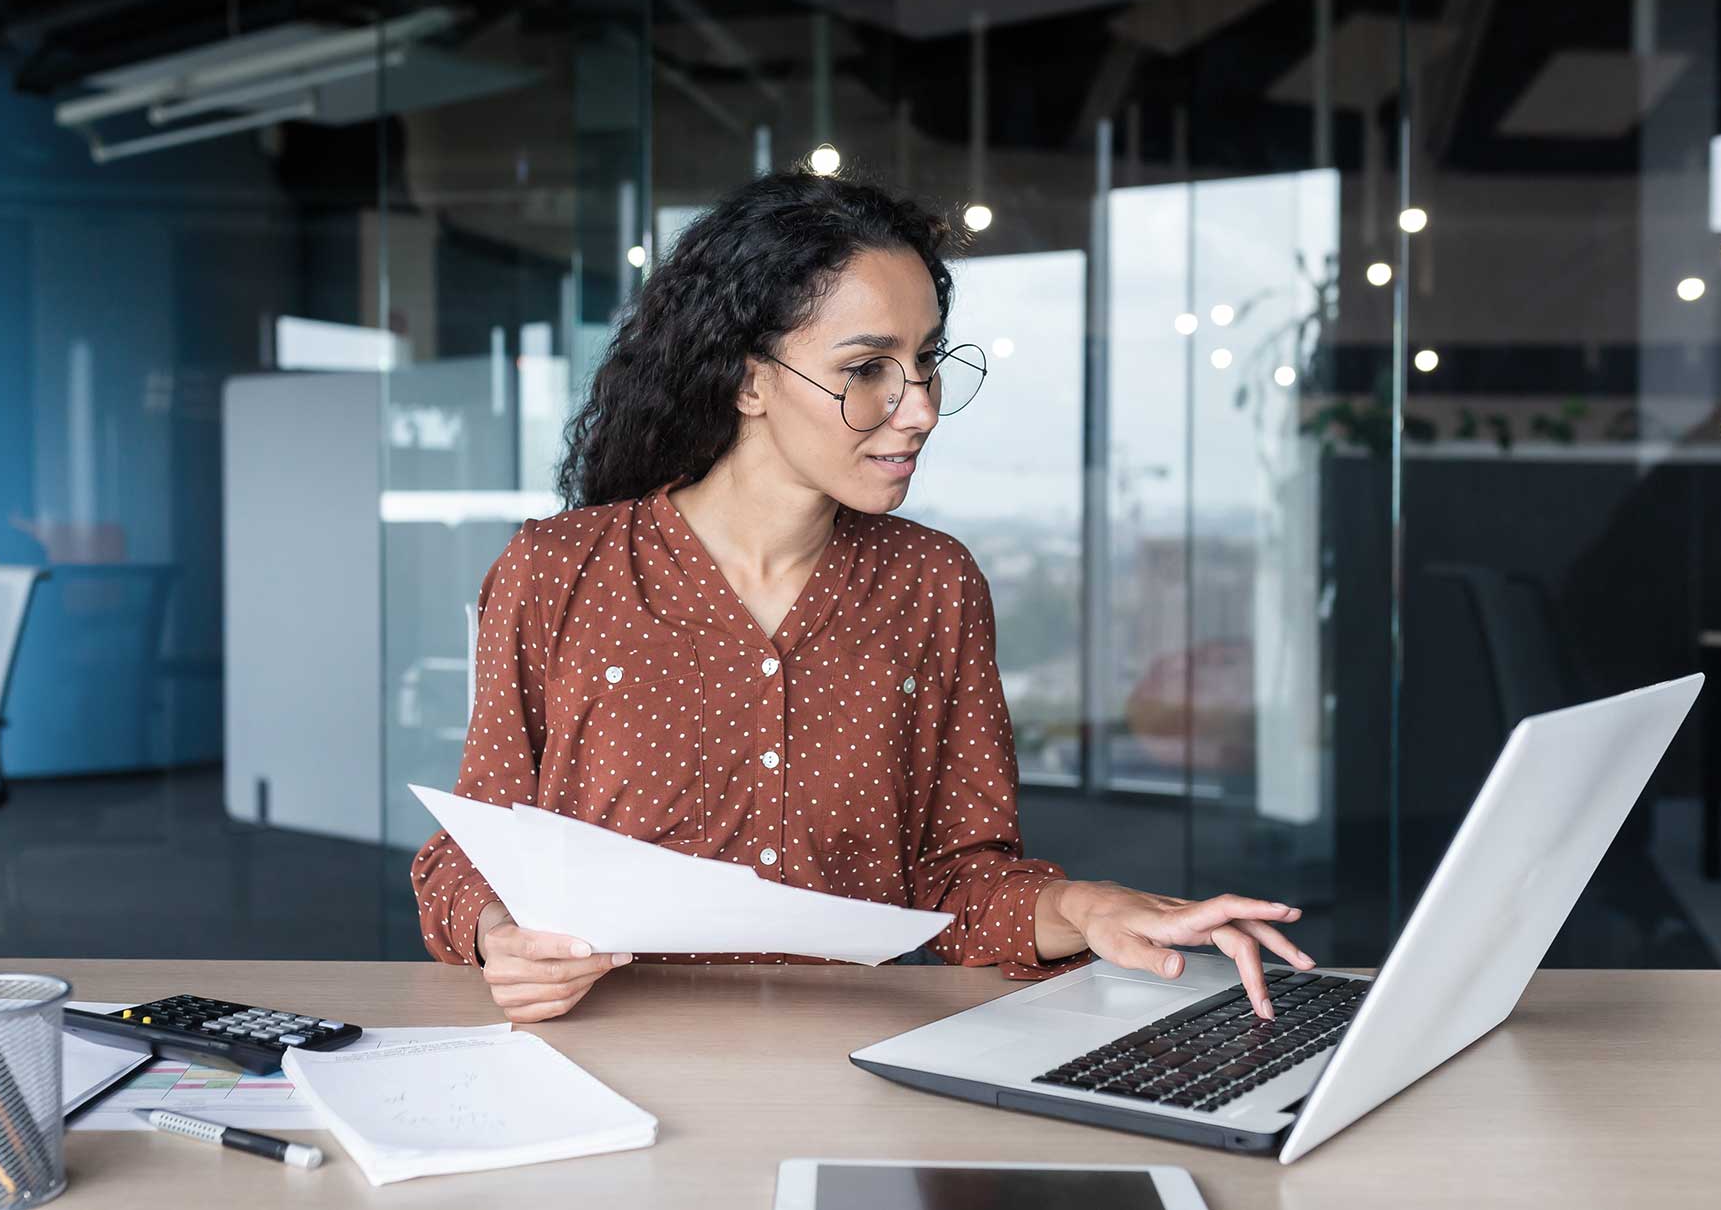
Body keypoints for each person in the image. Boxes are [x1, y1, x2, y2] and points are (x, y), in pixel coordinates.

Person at [412, 169, 1311, 1023]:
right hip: (599, 1053)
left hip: (851, 1061)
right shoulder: (558, 570)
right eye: (868, 367)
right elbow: (473, 848)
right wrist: (499, 935)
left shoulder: (933, 585)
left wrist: (1091, 907)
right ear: (748, 378)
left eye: (925, 363)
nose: (917, 407)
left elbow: (959, 884)